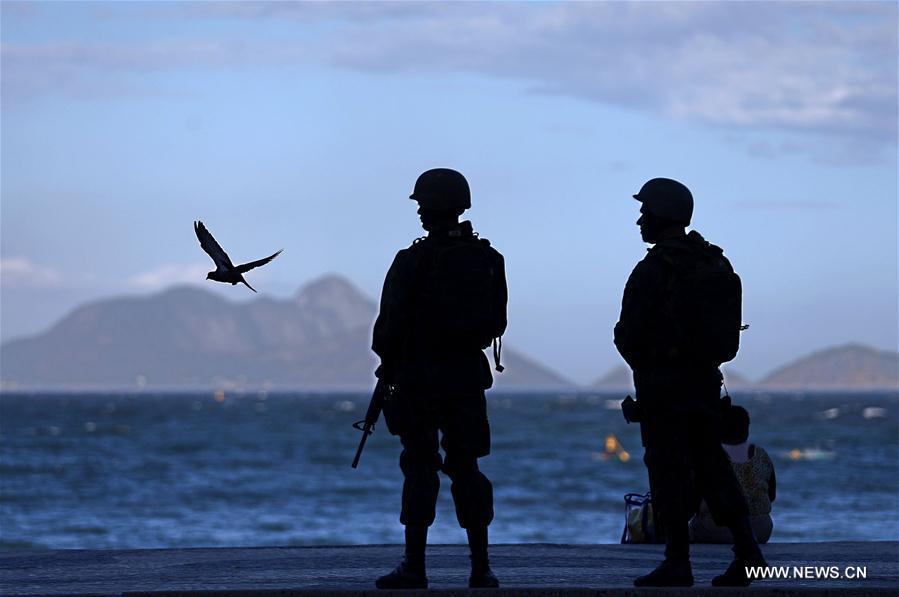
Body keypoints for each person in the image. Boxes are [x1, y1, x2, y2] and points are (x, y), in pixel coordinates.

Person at [614, 177, 767, 587]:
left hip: (663, 389)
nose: (640, 220)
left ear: (662, 217)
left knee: (666, 473)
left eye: (645, 211)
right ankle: (748, 551)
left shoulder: (652, 270)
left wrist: (646, 364)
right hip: (703, 385)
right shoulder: (714, 263)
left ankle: (677, 561)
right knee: (713, 468)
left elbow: (629, 335)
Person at [372, 168, 507, 590]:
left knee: (419, 469)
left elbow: (388, 329)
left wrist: (389, 367)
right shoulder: (488, 259)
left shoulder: (411, 261)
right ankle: (481, 568)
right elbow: (497, 323)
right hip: (466, 380)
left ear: (428, 208)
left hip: (419, 380)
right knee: (467, 468)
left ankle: (415, 567)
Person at [690, 405, 777, 544]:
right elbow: (771, 496)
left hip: (716, 529)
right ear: (747, 430)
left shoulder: (711, 456)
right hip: (761, 530)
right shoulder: (761, 455)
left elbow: (693, 499)